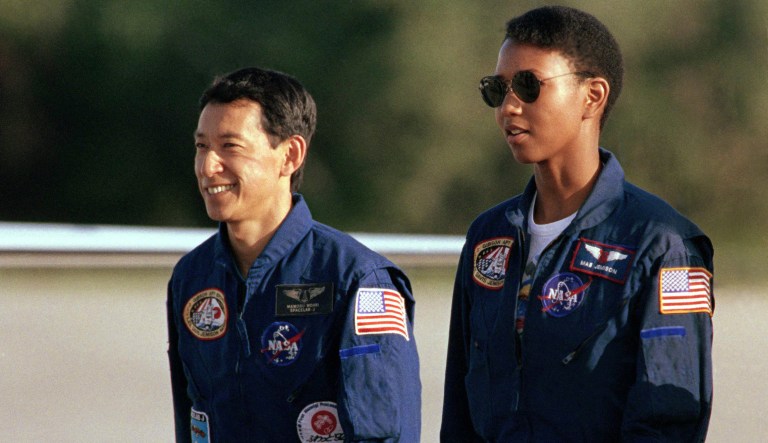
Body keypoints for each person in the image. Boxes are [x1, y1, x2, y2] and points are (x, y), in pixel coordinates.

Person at [440, 6, 714, 442]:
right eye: (497, 89)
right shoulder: (487, 238)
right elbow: (459, 412)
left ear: (594, 96)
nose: (509, 106)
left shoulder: (664, 246)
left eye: (529, 86)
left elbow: (668, 422)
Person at [167, 67, 421, 442]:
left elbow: (383, 433)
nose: (207, 167)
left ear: (290, 155)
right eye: (201, 146)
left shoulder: (359, 280)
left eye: (230, 146)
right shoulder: (191, 278)